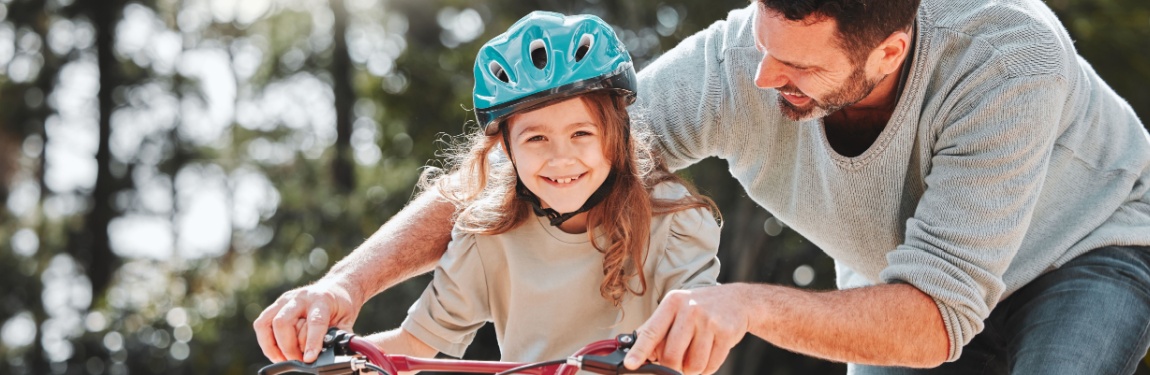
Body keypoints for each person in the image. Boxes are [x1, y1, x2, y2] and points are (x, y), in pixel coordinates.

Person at [257, 0, 1150, 373]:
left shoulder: (1009, 58)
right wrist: (348, 283)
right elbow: (542, 173)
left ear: (888, 52)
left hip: (1087, 247)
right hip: (899, 281)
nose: (762, 80)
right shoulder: (739, 62)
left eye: (797, 66)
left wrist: (741, 304)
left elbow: (938, 316)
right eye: (763, 45)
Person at [257, 11, 723, 364]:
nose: (561, 158)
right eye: (536, 138)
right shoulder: (487, 236)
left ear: (617, 135)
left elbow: (696, 346)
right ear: (505, 148)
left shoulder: (675, 222)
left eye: (582, 133)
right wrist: (332, 361)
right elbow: (414, 345)